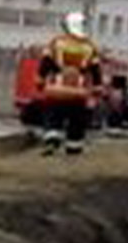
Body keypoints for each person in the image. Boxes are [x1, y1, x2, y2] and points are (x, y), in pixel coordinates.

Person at [38, 12, 101, 156]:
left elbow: (46, 63)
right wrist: (97, 88)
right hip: (78, 92)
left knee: (53, 116)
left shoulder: (56, 42)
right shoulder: (90, 47)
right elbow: (96, 70)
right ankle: (74, 147)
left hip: (57, 89)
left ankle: (52, 141)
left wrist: (40, 79)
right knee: (76, 121)